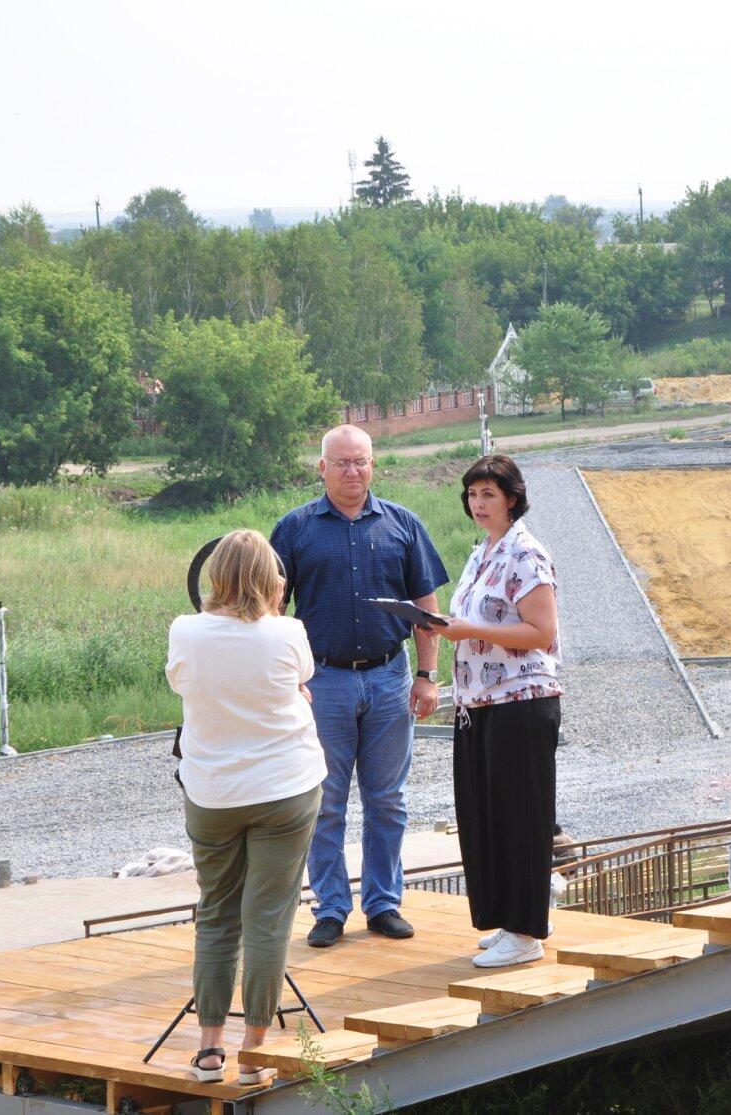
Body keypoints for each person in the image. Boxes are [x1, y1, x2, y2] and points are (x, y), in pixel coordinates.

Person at [270, 425, 449, 949]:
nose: (353, 471)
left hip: (389, 678)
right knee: (325, 801)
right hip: (321, 682)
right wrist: (284, 681)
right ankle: (330, 908)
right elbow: (273, 611)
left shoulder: (403, 526)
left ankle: (383, 903)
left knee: (387, 799)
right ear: (321, 468)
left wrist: (426, 676)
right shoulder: (295, 529)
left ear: (374, 465)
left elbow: (427, 611)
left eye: (362, 462)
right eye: (342, 462)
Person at [166, 530, 326, 1085]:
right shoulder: (288, 631)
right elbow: (297, 680)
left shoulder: (185, 631)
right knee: (269, 916)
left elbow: (186, 684)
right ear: (271, 580)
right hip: (286, 786)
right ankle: (254, 1051)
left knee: (216, 912)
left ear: (214, 577)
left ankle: (210, 1048)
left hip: (212, 793)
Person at [438, 455, 564, 969]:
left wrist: (471, 632)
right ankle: (510, 919)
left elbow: (541, 633)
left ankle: (526, 931)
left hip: (522, 700)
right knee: (486, 817)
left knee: (520, 818)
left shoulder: (526, 554)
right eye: (472, 496)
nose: (478, 504)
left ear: (511, 497)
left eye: (488, 494)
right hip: (479, 703)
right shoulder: (481, 552)